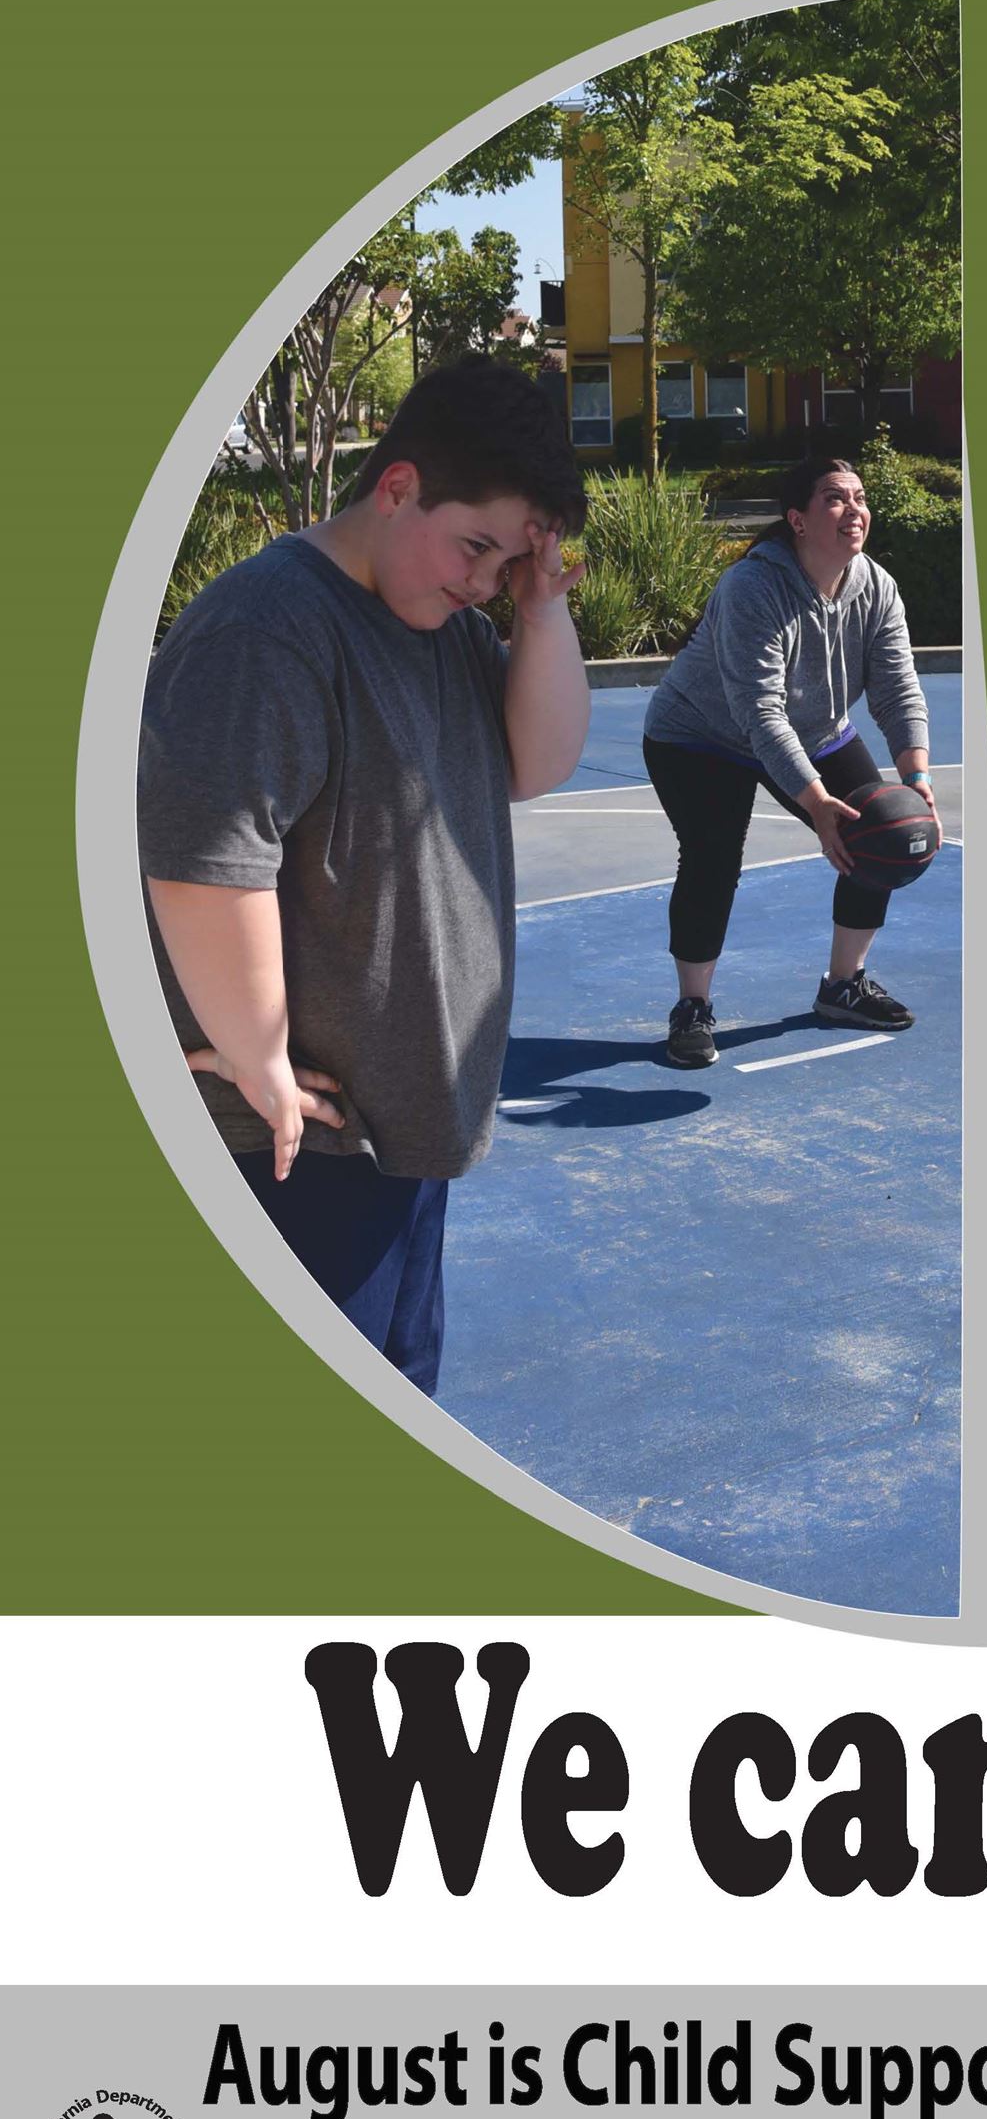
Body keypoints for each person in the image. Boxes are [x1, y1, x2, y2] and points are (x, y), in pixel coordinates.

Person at [140, 356, 591, 1395]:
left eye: (506, 559)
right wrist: (261, 1066)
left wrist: (543, 606)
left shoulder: (448, 626)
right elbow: (208, 859)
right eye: (476, 544)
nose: (482, 579)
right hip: (295, 1150)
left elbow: (539, 760)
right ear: (396, 487)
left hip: (400, 1133)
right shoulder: (269, 628)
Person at [641, 454, 935, 1067]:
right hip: (701, 737)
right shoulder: (753, 586)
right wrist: (814, 800)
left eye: (859, 497)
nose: (853, 509)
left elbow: (897, 688)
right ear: (797, 520)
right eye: (834, 498)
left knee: (879, 830)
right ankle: (692, 1007)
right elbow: (759, 712)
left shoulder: (875, 587)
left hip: (818, 730)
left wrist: (916, 777)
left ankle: (842, 986)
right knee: (713, 859)